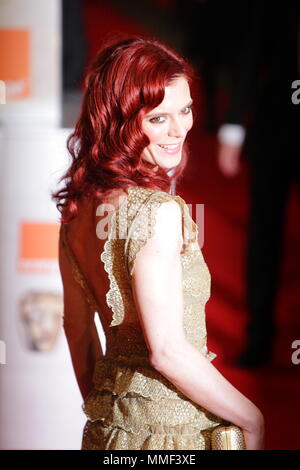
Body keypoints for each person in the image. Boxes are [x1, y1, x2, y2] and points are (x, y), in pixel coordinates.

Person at [52, 37, 264, 450]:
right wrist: (252, 419)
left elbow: (77, 332)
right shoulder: (158, 211)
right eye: (157, 118)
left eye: (184, 110)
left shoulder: (77, 209)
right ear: (119, 120)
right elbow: (167, 351)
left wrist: (114, 419)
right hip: (175, 436)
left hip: (107, 433)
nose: (178, 129)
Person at [217, 2, 300, 368]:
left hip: (275, 128)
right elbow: (252, 53)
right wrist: (233, 125)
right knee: (264, 235)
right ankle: (259, 338)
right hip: (275, 129)